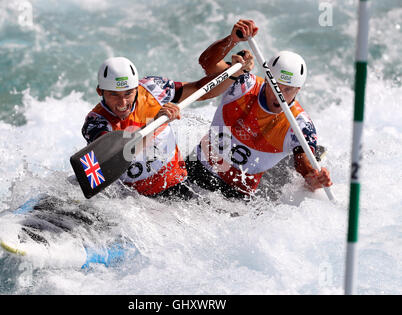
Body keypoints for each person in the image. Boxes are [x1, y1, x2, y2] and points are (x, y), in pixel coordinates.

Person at [185, 19, 333, 199]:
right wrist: (232, 40)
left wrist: (313, 178)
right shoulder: (243, 84)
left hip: (235, 197)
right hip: (195, 170)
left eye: (287, 90)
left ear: (298, 90)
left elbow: (304, 166)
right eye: (275, 86)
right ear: (267, 79)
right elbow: (207, 63)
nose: (279, 94)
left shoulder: (301, 126)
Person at [81, 56, 248, 200]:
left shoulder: (152, 88)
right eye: (114, 95)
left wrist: (232, 74)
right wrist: (155, 123)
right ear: (99, 91)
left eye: (128, 93)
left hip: (179, 184)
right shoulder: (96, 122)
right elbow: (115, 157)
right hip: (137, 201)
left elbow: (199, 90)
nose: (123, 103)